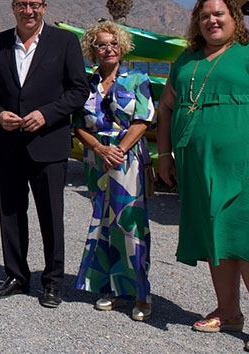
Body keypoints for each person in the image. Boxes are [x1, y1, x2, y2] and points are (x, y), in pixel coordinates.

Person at [156, 0, 249, 353]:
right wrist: (165, 154)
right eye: (205, 16)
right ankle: (229, 312)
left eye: (219, 14)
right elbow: (167, 108)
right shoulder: (186, 59)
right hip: (198, 168)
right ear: (196, 22)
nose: (212, 21)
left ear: (234, 17)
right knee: (216, 238)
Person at [0, 0, 88, 308]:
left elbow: (78, 90)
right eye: (22, 5)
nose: (29, 10)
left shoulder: (66, 42)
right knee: (10, 212)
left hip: (48, 144)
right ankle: (16, 275)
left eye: (35, 5)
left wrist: (47, 114)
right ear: (13, 8)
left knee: (51, 216)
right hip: (8, 145)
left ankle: (53, 282)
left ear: (44, 7)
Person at [72, 21, 154, 320]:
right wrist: (100, 150)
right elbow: (78, 126)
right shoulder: (86, 83)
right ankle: (111, 288)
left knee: (130, 225)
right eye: (102, 44)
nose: (108, 49)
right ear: (92, 49)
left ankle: (140, 294)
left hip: (127, 158)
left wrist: (117, 151)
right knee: (103, 224)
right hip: (97, 159)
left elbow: (144, 120)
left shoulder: (137, 79)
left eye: (113, 44)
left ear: (122, 47)